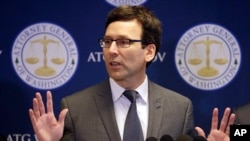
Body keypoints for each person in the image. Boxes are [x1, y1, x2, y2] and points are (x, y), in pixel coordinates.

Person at [29, 5, 235, 141]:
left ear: (149, 51)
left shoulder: (180, 108)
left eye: (123, 42)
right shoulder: (74, 108)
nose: (112, 50)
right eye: (107, 42)